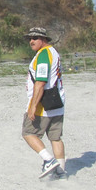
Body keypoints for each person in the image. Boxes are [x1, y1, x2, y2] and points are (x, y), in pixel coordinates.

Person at [22, 27, 67, 178]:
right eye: (30, 38)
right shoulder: (54, 52)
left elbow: (40, 82)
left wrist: (33, 106)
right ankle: (61, 172)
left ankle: (49, 160)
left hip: (43, 104)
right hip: (57, 102)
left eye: (35, 38)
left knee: (28, 133)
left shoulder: (43, 55)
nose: (31, 41)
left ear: (43, 39)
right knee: (55, 137)